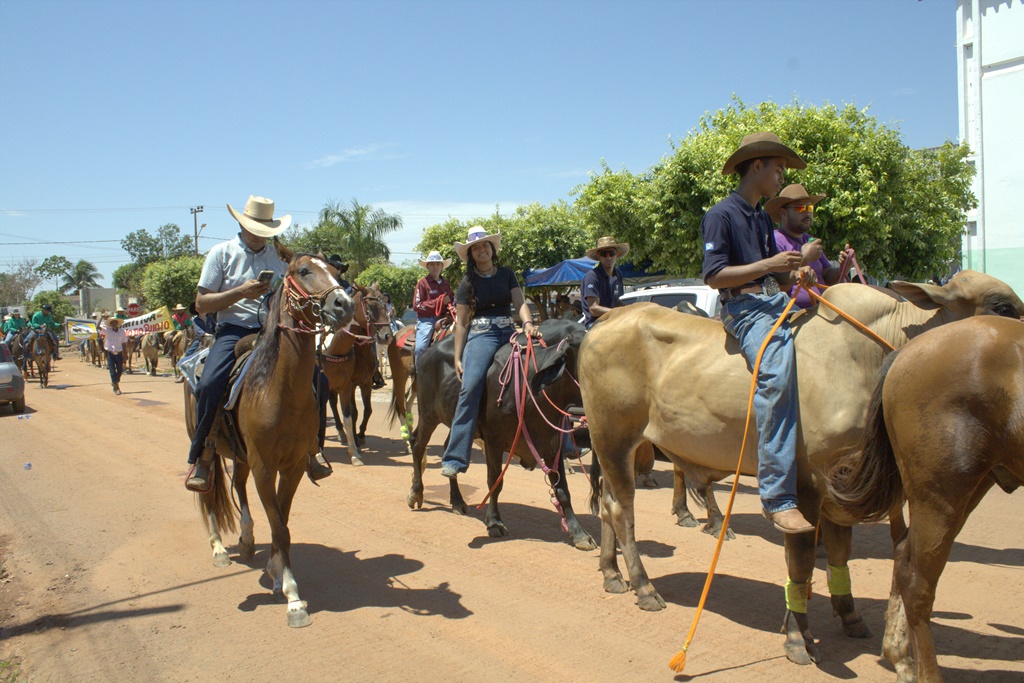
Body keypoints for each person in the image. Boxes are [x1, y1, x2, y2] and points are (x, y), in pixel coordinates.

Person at [701, 131, 816, 534]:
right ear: (756, 166)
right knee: (776, 375)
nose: (782, 176)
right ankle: (777, 497)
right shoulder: (721, 215)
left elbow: (778, 276)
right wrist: (771, 265)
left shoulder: (762, 218)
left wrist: (796, 273)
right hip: (743, 310)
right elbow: (715, 276)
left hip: (773, 301)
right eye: (778, 168)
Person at [185, 195, 332, 491]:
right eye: (256, 229)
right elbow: (201, 303)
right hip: (233, 331)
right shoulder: (221, 254)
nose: (260, 236)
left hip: (274, 331)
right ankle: (204, 454)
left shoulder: (279, 259)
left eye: (266, 231)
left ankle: (313, 449)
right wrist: (241, 292)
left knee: (320, 380)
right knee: (209, 383)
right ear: (242, 224)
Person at [439, 226, 542, 478]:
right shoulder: (467, 283)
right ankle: (455, 457)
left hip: (509, 332)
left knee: (542, 366)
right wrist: (457, 356)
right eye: (475, 248)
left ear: (492, 249)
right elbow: (462, 323)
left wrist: (528, 324)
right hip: (482, 335)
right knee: (471, 386)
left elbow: (520, 303)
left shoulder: (507, 274)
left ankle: (562, 441)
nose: (481, 250)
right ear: (471, 254)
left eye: (485, 245)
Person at [766, 184, 854, 309]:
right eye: (800, 208)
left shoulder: (809, 239)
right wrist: (804, 258)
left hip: (821, 309)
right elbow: (777, 285)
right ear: (783, 213)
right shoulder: (775, 241)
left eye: (809, 208)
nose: (807, 212)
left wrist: (844, 268)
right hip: (793, 314)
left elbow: (827, 276)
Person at [412, 250, 455, 371]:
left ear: (442, 266)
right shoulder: (422, 283)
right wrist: (439, 302)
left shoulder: (446, 284)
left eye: (438, 264)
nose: (435, 267)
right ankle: (420, 373)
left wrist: (454, 306)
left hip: (446, 318)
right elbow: (417, 305)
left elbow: (453, 299)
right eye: (432, 264)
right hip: (427, 320)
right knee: (420, 348)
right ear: (427, 267)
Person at [581, 236, 629, 329]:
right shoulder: (592, 276)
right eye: (604, 254)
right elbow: (593, 309)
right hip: (596, 323)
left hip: (613, 320)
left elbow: (616, 301)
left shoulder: (618, 274)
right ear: (599, 256)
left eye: (611, 253)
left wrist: (630, 310)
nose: (608, 257)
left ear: (617, 254)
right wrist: (618, 312)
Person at [99, 316, 128, 394]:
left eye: (115, 322)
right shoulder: (107, 331)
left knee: (120, 370)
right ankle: (116, 387)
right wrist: (101, 317)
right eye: (112, 323)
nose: (114, 324)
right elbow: (97, 327)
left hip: (119, 353)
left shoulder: (122, 332)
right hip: (110, 353)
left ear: (117, 324)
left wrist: (125, 354)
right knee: (112, 371)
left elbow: (124, 343)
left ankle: (115, 381)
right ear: (110, 324)